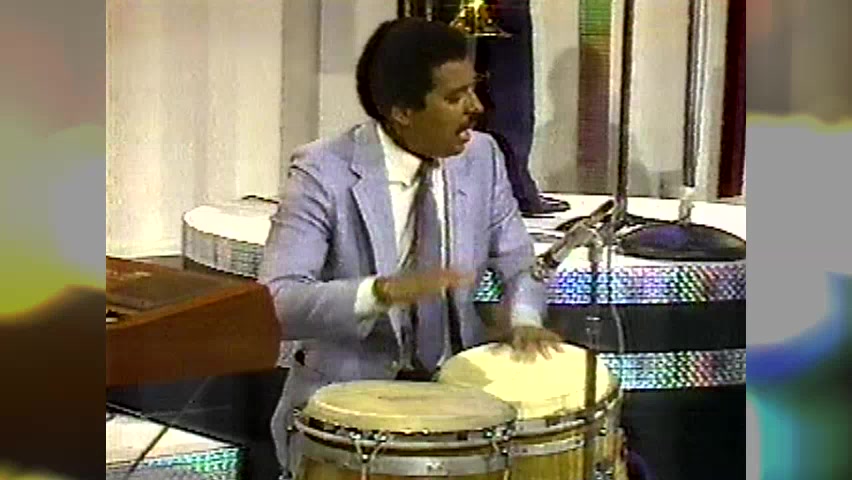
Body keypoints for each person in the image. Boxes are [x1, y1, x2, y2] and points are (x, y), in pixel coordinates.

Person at [258, 17, 562, 478]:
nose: (476, 108)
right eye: (455, 98)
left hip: (463, 411)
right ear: (402, 111)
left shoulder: (482, 157)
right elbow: (274, 303)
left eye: (474, 89)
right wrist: (380, 292)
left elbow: (522, 263)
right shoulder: (323, 171)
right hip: (349, 420)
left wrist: (523, 318)